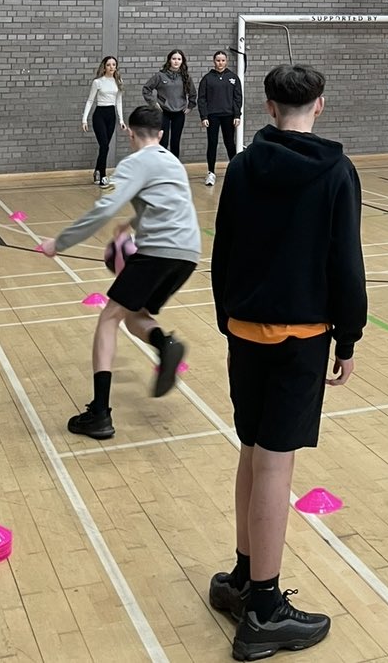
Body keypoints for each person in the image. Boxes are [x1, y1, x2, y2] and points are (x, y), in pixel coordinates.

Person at [208, 64, 366, 660]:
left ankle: (245, 577)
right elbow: (345, 261)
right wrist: (347, 338)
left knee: (251, 451)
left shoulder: (244, 166)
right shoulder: (336, 172)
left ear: (269, 106)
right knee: (276, 464)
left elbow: (224, 248)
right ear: (319, 105)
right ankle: (266, 610)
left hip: (245, 329)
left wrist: (229, 320)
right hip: (301, 336)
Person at [37, 105, 200, 440]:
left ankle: (99, 414)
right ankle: (163, 342)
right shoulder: (172, 161)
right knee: (132, 314)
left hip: (157, 252)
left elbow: (104, 206)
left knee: (109, 318)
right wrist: (131, 224)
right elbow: (169, 202)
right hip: (188, 254)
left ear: (129, 132)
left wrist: (61, 242)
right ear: (162, 133)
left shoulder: (134, 162)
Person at [197, 49, 243, 187]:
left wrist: (237, 115)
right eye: (218, 60)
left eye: (223, 60)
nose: (220, 63)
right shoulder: (207, 79)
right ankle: (211, 173)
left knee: (230, 144)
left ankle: (235, 172)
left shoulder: (233, 78)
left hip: (228, 116)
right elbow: (202, 99)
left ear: (226, 61)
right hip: (212, 116)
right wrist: (204, 115)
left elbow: (238, 98)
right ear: (214, 61)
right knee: (212, 144)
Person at [82, 55, 128, 188]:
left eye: (114, 64)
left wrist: (121, 119)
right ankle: (102, 175)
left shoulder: (118, 81)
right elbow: (90, 100)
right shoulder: (98, 82)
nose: (111, 67)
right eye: (109, 65)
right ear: (104, 66)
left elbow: (118, 101)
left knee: (105, 146)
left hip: (111, 115)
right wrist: (84, 119)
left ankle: (97, 170)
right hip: (99, 115)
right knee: (104, 145)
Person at [143, 49, 196, 161]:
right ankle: (161, 164)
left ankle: (174, 166)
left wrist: (190, 106)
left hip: (179, 113)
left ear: (182, 61)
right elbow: (146, 89)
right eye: (174, 59)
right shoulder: (160, 76)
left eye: (179, 59)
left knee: (175, 141)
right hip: (164, 112)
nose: (176, 61)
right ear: (169, 60)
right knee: (163, 141)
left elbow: (193, 93)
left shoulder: (185, 77)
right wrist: (154, 103)